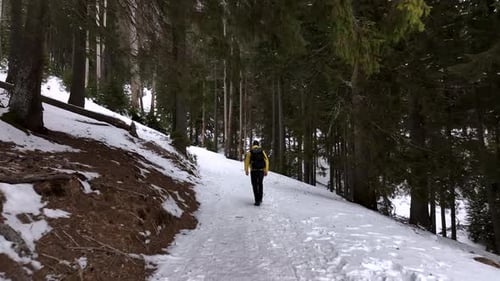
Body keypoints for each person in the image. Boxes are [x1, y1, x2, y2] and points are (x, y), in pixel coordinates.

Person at [244, 140, 269, 206]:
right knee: (260, 184)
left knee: (254, 185)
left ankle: (257, 200)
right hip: (261, 171)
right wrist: (266, 170)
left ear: (253, 145)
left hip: (254, 171)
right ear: (258, 145)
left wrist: (246, 170)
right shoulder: (262, 151)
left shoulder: (250, 152)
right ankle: (260, 198)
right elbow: (266, 161)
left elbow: (246, 162)